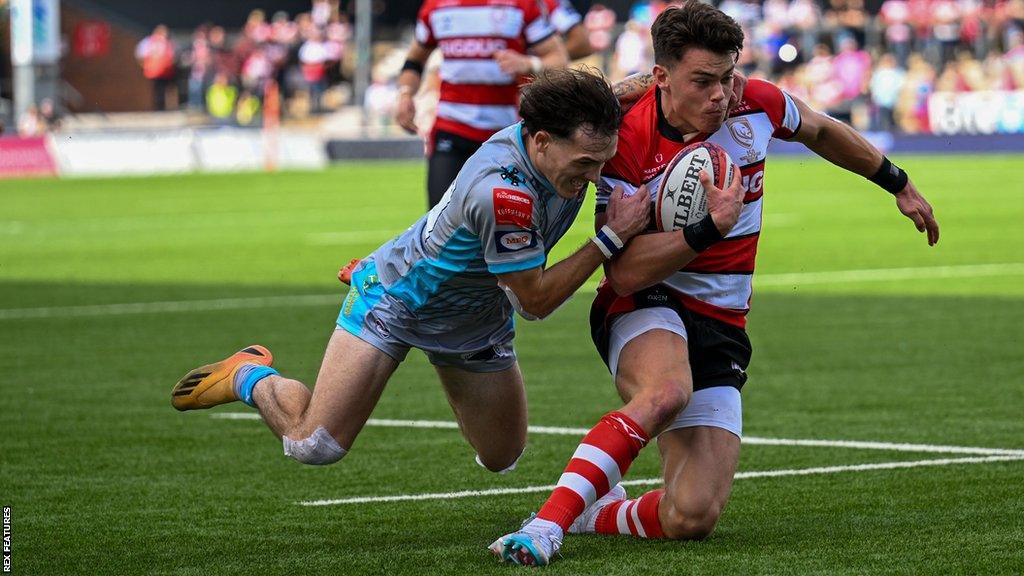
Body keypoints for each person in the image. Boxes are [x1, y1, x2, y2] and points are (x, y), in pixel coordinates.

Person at [490, 3, 939, 567]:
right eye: (702, 81)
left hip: (723, 318)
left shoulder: (757, 102)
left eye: (727, 77)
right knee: (667, 391)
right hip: (644, 301)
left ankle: (594, 512)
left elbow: (823, 130)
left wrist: (896, 182)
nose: (720, 95)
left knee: (691, 515)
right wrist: (708, 229)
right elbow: (624, 271)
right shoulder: (625, 140)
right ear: (661, 77)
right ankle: (546, 526)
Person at [170, 68, 655, 481]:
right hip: (398, 301)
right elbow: (534, 302)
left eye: (603, 160)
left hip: (472, 317)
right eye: (586, 164)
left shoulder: (564, 129)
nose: (595, 177)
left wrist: (637, 88)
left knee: (501, 458)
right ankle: (249, 375)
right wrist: (610, 237)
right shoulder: (504, 195)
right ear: (542, 141)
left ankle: (444, 357)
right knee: (314, 446)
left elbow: (605, 99)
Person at [395, 0, 569, 208]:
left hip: (503, 137)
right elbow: (414, 59)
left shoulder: (521, 4)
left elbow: (559, 60)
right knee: (439, 222)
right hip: (451, 129)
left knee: (503, 226)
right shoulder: (436, 6)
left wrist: (528, 64)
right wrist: (405, 94)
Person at [135, 25, 178, 111]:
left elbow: (139, 54)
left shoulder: (149, 41)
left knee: (161, 91)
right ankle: (160, 108)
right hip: (160, 72)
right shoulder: (162, 42)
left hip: (160, 72)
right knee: (160, 91)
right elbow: (174, 56)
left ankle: (162, 108)